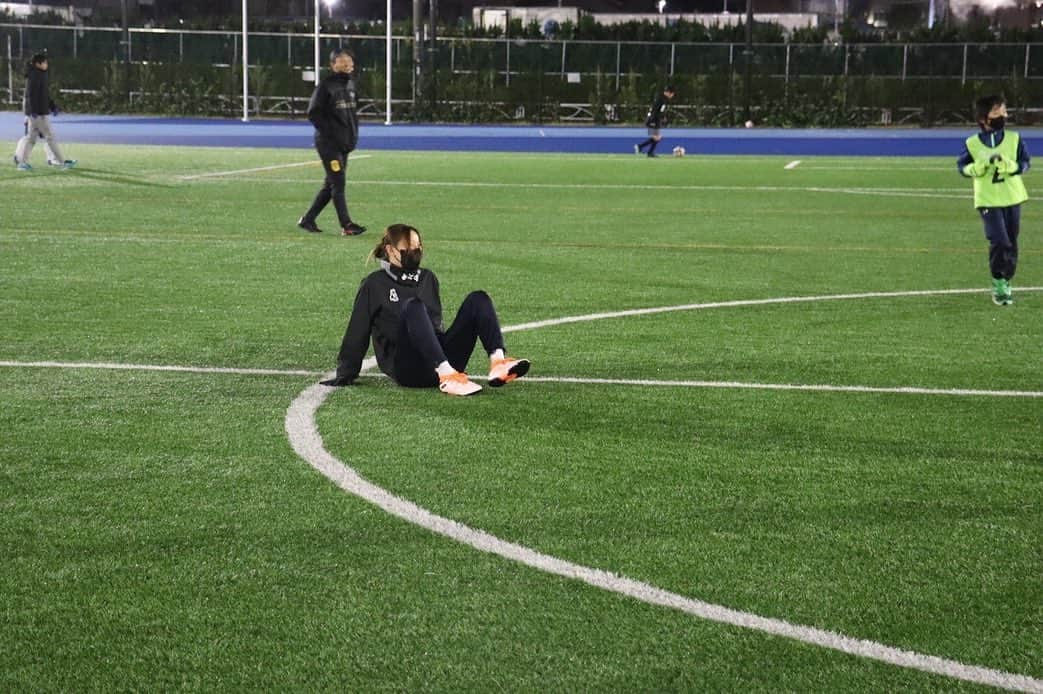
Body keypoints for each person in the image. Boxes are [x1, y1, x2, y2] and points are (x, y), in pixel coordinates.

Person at [320, 224, 531, 396]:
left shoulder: (427, 278)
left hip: (441, 360)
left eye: (417, 247)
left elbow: (435, 326)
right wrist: (346, 373)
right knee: (413, 306)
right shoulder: (374, 284)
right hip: (407, 369)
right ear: (390, 250)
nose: (414, 253)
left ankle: (498, 362)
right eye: (407, 249)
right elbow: (358, 330)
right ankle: (448, 377)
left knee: (478, 299)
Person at [957, 95, 1030, 306]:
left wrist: (1011, 166)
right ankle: (998, 280)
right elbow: (962, 167)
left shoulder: (1014, 139)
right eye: (997, 112)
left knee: (1012, 241)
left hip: (1012, 197)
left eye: (1004, 111)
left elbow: (1025, 163)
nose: (1003, 116)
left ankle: (1007, 278)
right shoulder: (971, 143)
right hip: (988, 200)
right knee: (999, 240)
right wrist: (977, 168)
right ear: (984, 118)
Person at [297, 48, 367, 237]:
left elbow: (351, 114)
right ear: (333, 65)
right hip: (329, 145)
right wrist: (331, 134)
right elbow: (313, 113)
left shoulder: (351, 85)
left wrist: (349, 137)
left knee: (330, 185)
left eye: (349, 61)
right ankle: (347, 225)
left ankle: (308, 219)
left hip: (343, 144)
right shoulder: (326, 86)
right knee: (338, 183)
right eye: (342, 61)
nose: (347, 65)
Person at [12, 51, 76, 171]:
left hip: (37, 112)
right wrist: (33, 111)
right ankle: (61, 162)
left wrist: (52, 106)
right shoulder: (36, 75)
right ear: (38, 64)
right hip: (39, 114)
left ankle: (22, 163)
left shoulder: (39, 74)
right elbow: (30, 95)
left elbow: (44, 95)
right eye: (45, 62)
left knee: (31, 139)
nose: (47, 64)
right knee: (50, 137)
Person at [634, 85, 675, 158]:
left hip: (655, 119)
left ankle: (646, 150)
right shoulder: (661, 99)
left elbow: (659, 110)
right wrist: (652, 120)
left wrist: (662, 118)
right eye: (672, 94)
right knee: (657, 137)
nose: (672, 96)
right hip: (653, 119)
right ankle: (642, 148)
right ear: (669, 93)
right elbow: (655, 110)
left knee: (657, 137)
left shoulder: (662, 98)